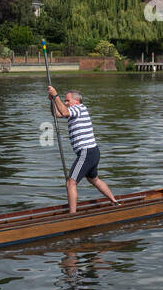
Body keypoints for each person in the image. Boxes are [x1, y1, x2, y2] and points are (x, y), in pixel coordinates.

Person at [48, 86, 119, 214]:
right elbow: (56, 114)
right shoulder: (73, 110)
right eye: (65, 101)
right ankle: (114, 202)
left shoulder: (78, 109)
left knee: (71, 183)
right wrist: (52, 100)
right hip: (93, 151)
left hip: (86, 152)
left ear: (76, 101)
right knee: (94, 179)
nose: (65, 103)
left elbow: (63, 112)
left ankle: (73, 216)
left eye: (67, 101)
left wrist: (56, 95)